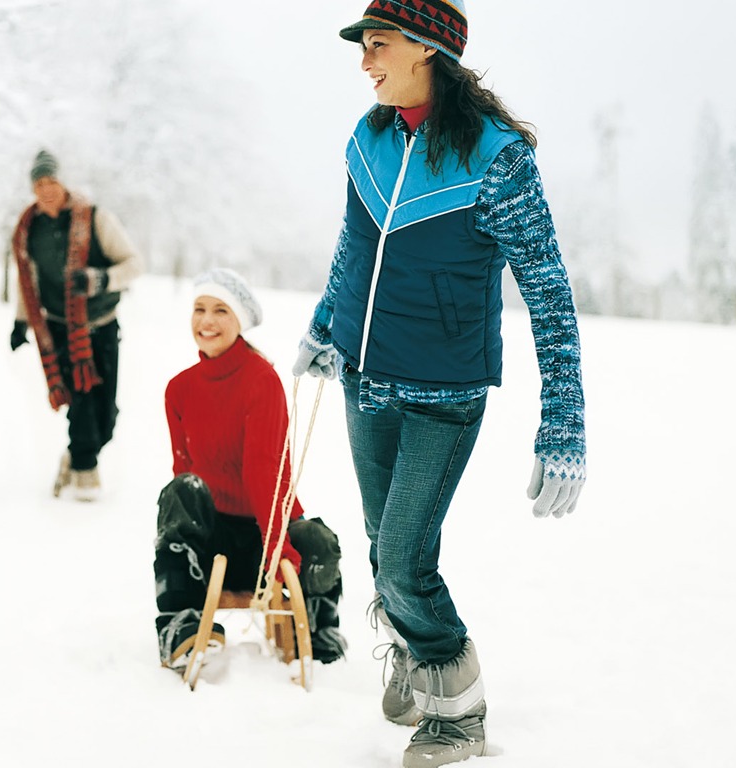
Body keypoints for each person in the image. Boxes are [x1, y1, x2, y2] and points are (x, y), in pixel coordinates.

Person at [292, 3, 587, 765]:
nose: (365, 61)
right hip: (366, 376)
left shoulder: (498, 158)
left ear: (427, 48)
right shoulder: (370, 137)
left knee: (402, 558)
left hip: (442, 391)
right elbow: (354, 246)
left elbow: (548, 290)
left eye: (378, 46)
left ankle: (459, 709)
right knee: (378, 542)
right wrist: (327, 323)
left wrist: (564, 420)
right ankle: (419, 665)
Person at [155, 268, 347, 672]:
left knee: (319, 539)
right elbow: (183, 472)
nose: (207, 321)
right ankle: (178, 625)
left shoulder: (261, 381)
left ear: (239, 320)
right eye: (199, 309)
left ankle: (316, 627)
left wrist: (283, 550)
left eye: (220, 311)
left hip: (264, 536)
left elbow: (265, 474)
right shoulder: (179, 389)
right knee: (182, 490)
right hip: (211, 541)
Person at [9, 149, 141, 501]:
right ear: (33, 188)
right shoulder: (28, 229)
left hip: (102, 324)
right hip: (58, 328)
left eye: (51, 180)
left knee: (106, 415)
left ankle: (74, 455)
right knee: (81, 401)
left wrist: (100, 279)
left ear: (63, 181)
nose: (46, 188)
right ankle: (85, 475)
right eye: (39, 183)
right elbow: (28, 280)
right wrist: (21, 322)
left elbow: (134, 264)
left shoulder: (95, 218)